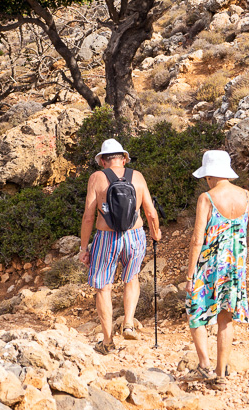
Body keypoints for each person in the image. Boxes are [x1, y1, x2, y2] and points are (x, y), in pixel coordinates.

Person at [185, 149, 249, 388]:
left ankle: (205, 365)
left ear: (209, 175)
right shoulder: (246, 196)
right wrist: (238, 247)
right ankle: (221, 375)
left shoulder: (207, 198)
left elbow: (198, 239)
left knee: (195, 311)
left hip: (209, 265)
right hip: (234, 266)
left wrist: (190, 274)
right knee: (225, 318)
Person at [78, 138, 162, 354]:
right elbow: (151, 212)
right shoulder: (138, 176)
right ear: (123, 159)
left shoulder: (97, 178)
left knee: (103, 287)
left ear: (103, 162)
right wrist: (155, 233)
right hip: (135, 235)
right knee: (131, 278)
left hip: (107, 238)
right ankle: (129, 323)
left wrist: (84, 248)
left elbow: (88, 217)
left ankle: (107, 341)